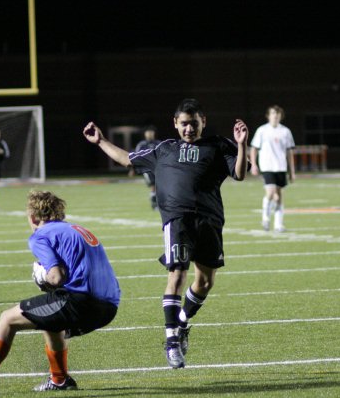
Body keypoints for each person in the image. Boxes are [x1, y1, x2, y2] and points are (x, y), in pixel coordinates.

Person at [84, 98, 248, 369]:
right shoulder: (163, 149)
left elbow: (240, 174)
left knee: (205, 282)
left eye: (193, 123)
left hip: (209, 222)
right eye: (184, 124)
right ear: (175, 123)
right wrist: (100, 141)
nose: (189, 129)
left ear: (203, 122)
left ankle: (182, 321)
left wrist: (241, 144)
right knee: (178, 274)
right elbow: (127, 159)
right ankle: (172, 340)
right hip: (177, 220)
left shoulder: (218, 145)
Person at [0, 190, 121, 398]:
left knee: (7, 319)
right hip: (109, 306)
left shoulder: (40, 235)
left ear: (33, 217)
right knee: (50, 320)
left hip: (82, 301)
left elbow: (56, 277)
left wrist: (43, 277)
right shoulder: (77, 229)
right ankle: (59, 380)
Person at [249, 105, 295, 231]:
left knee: (279, 195)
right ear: (268, 116)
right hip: (267, 166)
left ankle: (278, 224)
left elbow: (289, 152)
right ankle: (266, 218)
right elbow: (254, 148)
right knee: (270, 193)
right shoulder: (262, 130)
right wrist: (253, 164)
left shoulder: (285, 131)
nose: (275, 115)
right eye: (273, 113)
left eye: (278, 113)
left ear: (281, 116)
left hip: (281, 167)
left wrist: (292, 171)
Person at [131, 126, 160, 209]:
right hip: (146, 169)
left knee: (159, 186)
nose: (150, 134)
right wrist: (133, 169)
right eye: (148, 132)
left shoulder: (158, 143)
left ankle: (156, 202)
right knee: (153, 185)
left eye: (151, 132)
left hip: (158, 168)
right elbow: (135, 157)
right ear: (145, 134)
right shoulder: (142, 144)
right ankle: (154, 203)